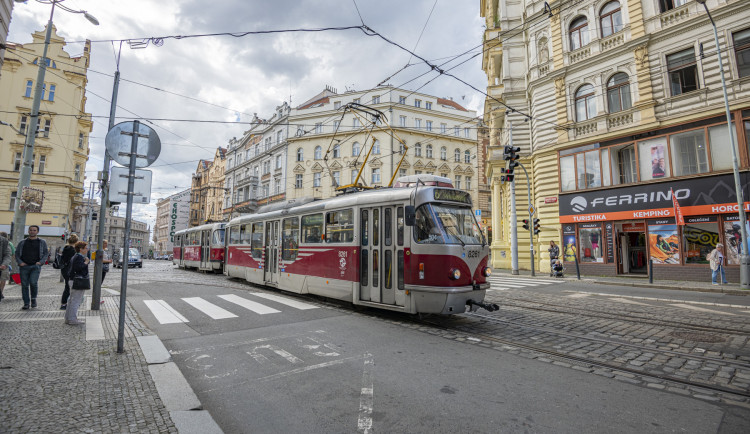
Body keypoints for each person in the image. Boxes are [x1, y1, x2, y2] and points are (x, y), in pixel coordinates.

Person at [15, 225, 49, 310]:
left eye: (34, 230)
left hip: (35, 266)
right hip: (24, 266)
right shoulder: (22, 242)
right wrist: (20, 262)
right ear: (28, 231)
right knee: (24, 285)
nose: (32, 232)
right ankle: (26, 303)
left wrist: (41, 262)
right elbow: (17, 253)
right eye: (30, 230)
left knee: (33, 283)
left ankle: (33, 299)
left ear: (37, 232)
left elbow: (45, 253)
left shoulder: (42, 242)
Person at [65, 241, 90, 325]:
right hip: (78, 281)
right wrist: (86, 262)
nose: (87, 249)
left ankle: (68, 318)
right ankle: (72, 319)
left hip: (73, 280)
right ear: (81, 249)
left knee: (72, 300)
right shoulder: (79, 257)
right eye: (86, 248)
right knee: (76, 300)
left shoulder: (75, 256)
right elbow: (78, 268)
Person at [59, 234, 78, 310]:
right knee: (69, 286)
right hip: (70, 270)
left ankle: (64, 303)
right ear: (76, 241)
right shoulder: (73, 250)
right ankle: (65, 303)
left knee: (67, 286)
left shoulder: (65, 248)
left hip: (64, 269)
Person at [0, 231, 11, 301]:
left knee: (3, 279)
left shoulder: (4, 241)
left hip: (3, 265)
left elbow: (8, 254)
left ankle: (0, 292)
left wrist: (4, 264)